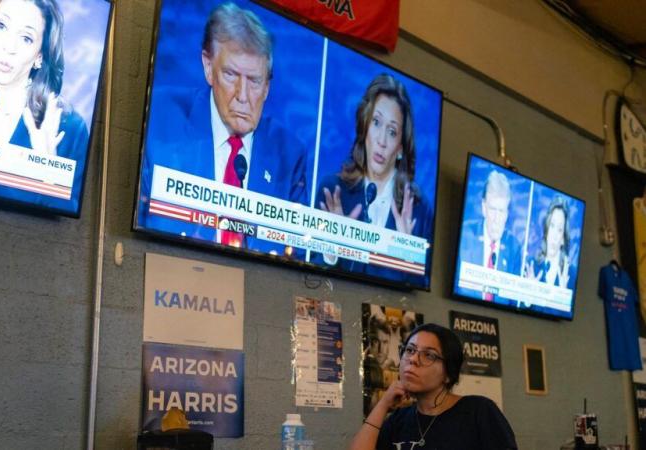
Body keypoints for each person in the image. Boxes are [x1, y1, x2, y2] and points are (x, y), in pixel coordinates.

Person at [138, 2, 308, 254]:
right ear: (208, 67)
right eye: (231, 75)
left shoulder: (289, 154)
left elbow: (298, 257)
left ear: (267, 87)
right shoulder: (160, 120)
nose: (243, 95)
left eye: (254, 81)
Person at [0, 0, 89, 207]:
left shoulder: (69, 131)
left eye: (26, 38)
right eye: (1, 26)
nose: (9, 47)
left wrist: (50, 177)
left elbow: (66, 231)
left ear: (39, 56)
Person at [314, 73, 432, 282]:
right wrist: (331, 250)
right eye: (376, 122)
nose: (382, 140)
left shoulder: (418, 210)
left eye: (392, 132)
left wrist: (407, 258)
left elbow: (421, 294)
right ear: (365, 126)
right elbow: (306, 274)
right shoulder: (333, 191)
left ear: (401, 148)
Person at [349, 323, 517, 450]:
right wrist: (383, 404)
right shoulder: (398, 421)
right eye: (410, 350)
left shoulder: (478, 411)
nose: (413, 359)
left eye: (428, 355)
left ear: (448, 374)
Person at [457, 170, 521, 303]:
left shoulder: (514, 248)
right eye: (492, 209)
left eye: (501, 211)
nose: (497, 219)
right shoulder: (465, 236)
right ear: (483, 207)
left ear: (507, 214)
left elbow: (515, 304)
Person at [524, 196, 576, 289]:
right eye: (552, 226)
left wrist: (563, 294)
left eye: (560, 230)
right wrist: (529, 297)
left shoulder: (571, 274)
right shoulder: (532, 265)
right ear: (546, 229)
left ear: (563, 239)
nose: (554, 236)